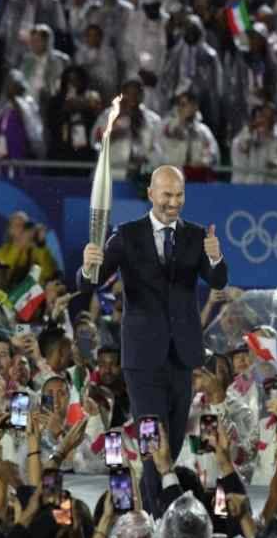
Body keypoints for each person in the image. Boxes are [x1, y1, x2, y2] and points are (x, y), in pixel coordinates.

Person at [79, 164, 227, 510]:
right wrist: (88, 265)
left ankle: (151, 511)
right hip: (143, 359)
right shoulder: (126, 235)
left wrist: (216, 256)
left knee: (171, 444)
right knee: (152, 443)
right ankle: (160, 520)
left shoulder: (194, 235)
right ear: (151, 194)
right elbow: (92, 279)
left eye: (179, 195)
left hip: (182, 357)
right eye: (167, 195)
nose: (173, 202)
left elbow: (217, 280)